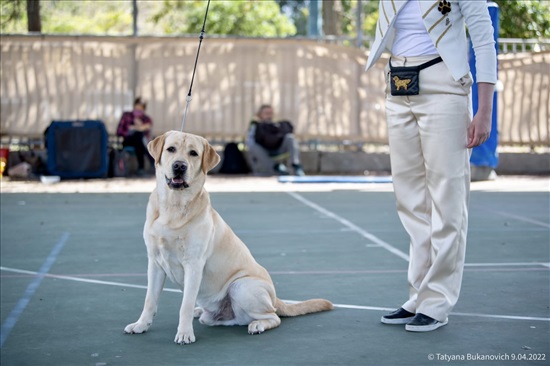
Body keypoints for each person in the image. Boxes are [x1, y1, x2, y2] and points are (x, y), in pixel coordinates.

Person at [365, 0, 497, 332]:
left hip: (444, 86)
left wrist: (484, 111)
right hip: (398, 85)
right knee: (409, 199)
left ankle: (437, 301)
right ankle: (418, 295)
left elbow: (484, 41)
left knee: (447, 198)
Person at [246, 104, 305, 176]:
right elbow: (250, 142)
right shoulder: (255, 126)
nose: (269, 116)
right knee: (253, 147)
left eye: (270, 113)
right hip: (264, 151)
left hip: (278, 148)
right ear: (260, 115)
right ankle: (276, 167)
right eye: (266, 113)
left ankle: (296, 165)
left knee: (290, 138)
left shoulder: (277, 124)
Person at [116, 97, 154, 176]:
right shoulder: (126, 115)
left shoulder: (146, 119)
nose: (138, 110)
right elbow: (119, 132)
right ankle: (148, 164)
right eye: (137, 107)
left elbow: (147, 133)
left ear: (144, 109)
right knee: (139, 137)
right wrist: (133, 128)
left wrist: (139, 127)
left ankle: (141, 168)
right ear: (134, 106)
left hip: (140, 142)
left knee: (139, 138)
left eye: (141, 108)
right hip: (128, 140)